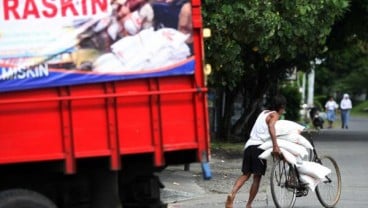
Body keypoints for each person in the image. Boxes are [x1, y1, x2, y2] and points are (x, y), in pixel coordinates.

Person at [225, 95, 286, 208]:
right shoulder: (274, 115)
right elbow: (271, 126)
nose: (283, 111)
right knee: (256, 178)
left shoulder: (263, 113)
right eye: (283, 108)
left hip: (249, 146)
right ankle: (249, 204)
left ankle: (232, 193)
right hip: (259, 148)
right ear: (281, 107)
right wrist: (275, 146)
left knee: (245, 174)